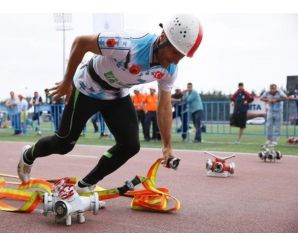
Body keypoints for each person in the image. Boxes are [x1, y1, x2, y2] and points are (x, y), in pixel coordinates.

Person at [17, 14, 203, 192]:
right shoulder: (126, 44)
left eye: (182, 56)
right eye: (174, 52)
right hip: (87, 88)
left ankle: (86, 184)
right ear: (163, 37)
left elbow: (163, 106)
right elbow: (80, 43)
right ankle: (28, 155)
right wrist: (67, 82)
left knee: (130, 145)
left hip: (116, 95)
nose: (175, 60)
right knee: (64, 145)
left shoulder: (170, 69)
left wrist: (167, 147)